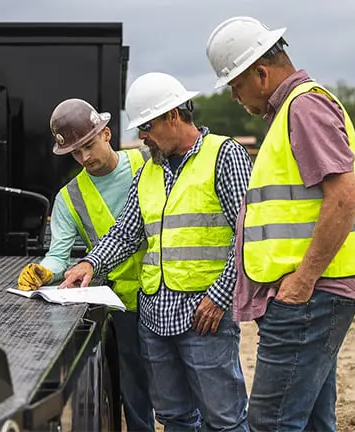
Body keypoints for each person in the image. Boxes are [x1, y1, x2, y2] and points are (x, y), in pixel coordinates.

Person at [205, 16, 355, 432]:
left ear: (261, 72)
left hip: (310, 295)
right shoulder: (295, 110)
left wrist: (303, 279)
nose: (235, 98)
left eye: (236, 86)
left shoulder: (304, 107)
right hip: (311, 294)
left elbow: (344, 197)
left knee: (271, 421)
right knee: (311, 421)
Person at [61, 73, 250, 432]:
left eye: (146, 126)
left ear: (174, 116)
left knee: (223, 419)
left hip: (204, 316)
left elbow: (249, 235)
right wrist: (90, 262)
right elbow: (126, 232)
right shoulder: (150, 168)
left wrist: (220, 297)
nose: (142, 136)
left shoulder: (224, 156)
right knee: (174, 418)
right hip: (155, 317)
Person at [16, 98, 155, 431]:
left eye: (89, 146)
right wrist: (45, 271)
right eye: (76, 153)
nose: (85, 158)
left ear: (106, 134)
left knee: (179, 393)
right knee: (134, 395)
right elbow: (60, 255)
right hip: (123, 306)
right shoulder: (69, 197)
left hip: (165, 294)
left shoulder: (148, 163)